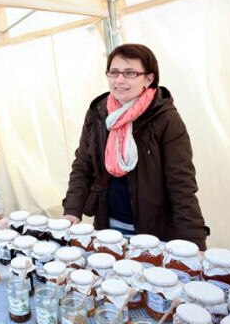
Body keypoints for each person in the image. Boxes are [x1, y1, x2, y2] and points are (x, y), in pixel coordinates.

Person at [62, 44, 209, 250]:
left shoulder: (165, 118)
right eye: (114, 72)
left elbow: (181, 183)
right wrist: (72, 210)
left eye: (130, 73)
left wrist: (194, 244)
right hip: (108, 227)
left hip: (154, 232)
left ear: (148, 79)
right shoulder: (98, 113)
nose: (119, 80)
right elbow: (83, 166)